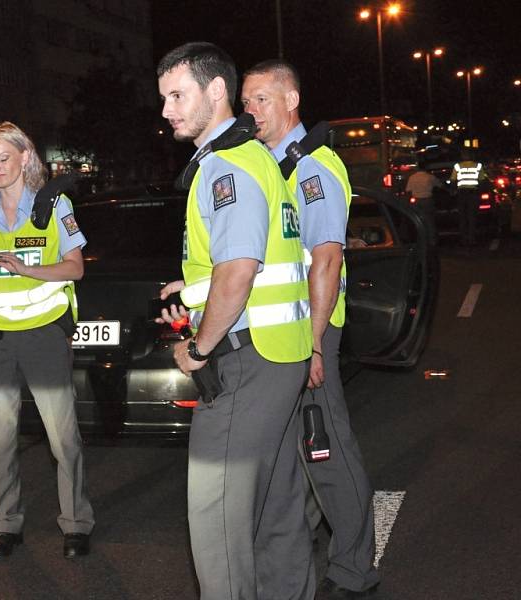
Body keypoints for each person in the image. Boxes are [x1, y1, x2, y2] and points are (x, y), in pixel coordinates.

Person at [156, 43, 314, 600]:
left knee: (215, 513)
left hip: (247, 363)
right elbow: (250, 261)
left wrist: (198, 349)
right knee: (277, 504)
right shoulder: (256, 159)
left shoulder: (226, 166)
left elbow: (241, 270)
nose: (168, 110)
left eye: (178, 95)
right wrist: (192, 289)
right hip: (280, 354)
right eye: (164, 99)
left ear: (216, 91)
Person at [241, 60, 380, 598]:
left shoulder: (313, 169)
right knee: (297, 451)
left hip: (311, 331)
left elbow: (327, 261)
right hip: (288, 331)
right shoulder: (272, 167)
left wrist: (314, 344)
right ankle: (303, 554)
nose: (250, 110)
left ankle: (354, 570)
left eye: (262, 99)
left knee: (326, 451)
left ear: (292, 99)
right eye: (246, 101)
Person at [0, 121, 94, 560]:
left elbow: (75, 268)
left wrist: (24, 267)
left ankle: (76, 524)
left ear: (25, 157)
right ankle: (6, 525)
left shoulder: (52, 205)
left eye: (4, 159)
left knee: (62, 438)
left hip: (44, 335)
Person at [449, 154, 489, 245]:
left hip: (462, 194)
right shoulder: (478, 166)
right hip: (473, 194)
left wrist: (452, 191)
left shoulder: (458, 166)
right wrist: (480, 192)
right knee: (472, 216)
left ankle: (463, 238)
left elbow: (453, 180)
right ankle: (471, 238)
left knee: (462, 217)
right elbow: (482, 180)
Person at [405, 162, 445, 245]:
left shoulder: (412, 177)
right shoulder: (430, 177)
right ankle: (431, 241)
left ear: (417, 168)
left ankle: (420, 241)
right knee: (430, 221)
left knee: (417, 221)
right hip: (427, 200)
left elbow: (408, 191)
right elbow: (440, 185)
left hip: (416, 201)